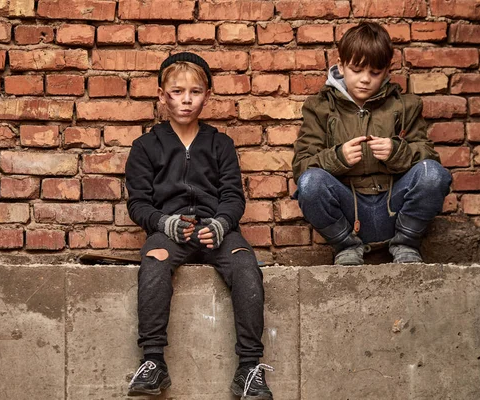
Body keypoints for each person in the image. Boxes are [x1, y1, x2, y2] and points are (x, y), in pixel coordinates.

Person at [125, 52, 273, 399]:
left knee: (246, 265)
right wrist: (165, 223)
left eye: (195, 91)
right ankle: (153, 363)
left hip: (216, 231)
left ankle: (249, 368)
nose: (186, 99)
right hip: (171, 231)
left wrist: (222, 224)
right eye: (177, 91)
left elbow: (234, 198)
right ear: (162, 95)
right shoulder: (146, 146)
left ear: (207, 95)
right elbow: (138, 204)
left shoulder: (219, 143)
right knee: (154, 261)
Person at [292, 22, 452, 266]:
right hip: (348, 212)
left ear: (387, 70)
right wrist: (338, 158)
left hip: (395, 208)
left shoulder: (405, 105)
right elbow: (302, 166)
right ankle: (346, 247)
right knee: (310, 183)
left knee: (433, 174)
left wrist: (396, 152)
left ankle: (406, 244)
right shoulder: (320, 107)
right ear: (341, 65)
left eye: (375, 73)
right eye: (356, 70)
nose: (365, 80)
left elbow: (429, 157)